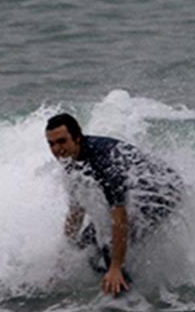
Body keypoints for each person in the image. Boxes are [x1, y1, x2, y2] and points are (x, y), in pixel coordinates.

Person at [45, 113, 184, 296]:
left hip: (162, 194)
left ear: (77, 137)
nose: (57, 149)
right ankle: (116, 289)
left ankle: (126, 304)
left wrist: (116, 267)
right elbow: (76, 212)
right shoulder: (70, 161)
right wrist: (62, 259)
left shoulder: (103, 161)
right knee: (86, 247)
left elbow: (119, 215)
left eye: (62, 141)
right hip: (139, 193)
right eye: (51, 144)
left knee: (110, 251)